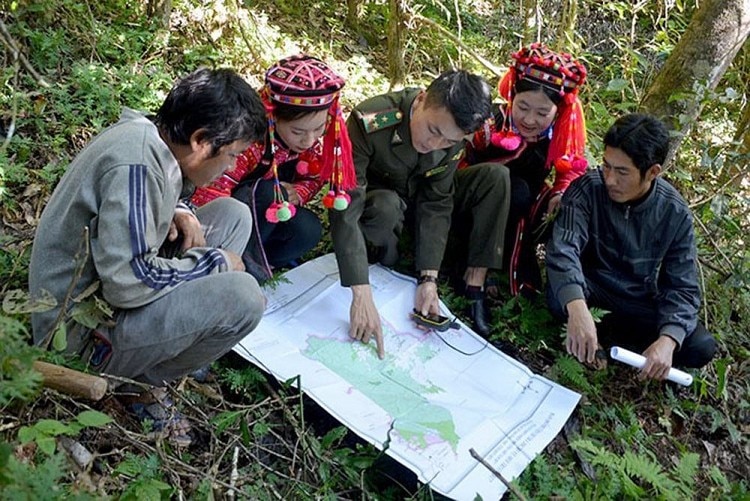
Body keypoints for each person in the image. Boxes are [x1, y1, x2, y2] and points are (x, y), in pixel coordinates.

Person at [28, 68, 268, 442]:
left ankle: (178, 340)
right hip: (76, 331)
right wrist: (215, 263)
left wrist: (182, 208)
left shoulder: (149, 137)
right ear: (201, 142)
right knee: (245, 298)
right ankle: (138, 383)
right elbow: (128, 284)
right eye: (232, 155)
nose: (233, 167)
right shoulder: (135, 169)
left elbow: (161, 187)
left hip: (106, 289)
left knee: (234, 216)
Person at [330, 69, 508, 355]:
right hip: (380, 208)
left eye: (448, 142)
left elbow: (437, 201)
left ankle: (471, 281)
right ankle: (385, 265)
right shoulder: (372, 121)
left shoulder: (453, 135)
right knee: (386, 206)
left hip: (417, 206)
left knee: (495, 177)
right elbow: (346, 203)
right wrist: (360, 290)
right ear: (423, 99)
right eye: (433, 131)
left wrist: (428, 278)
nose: (434, 145)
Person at [545, 113, 717, 380]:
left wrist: (668, 339)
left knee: (700, 347)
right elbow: (563, 250)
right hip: (592, 290)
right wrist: (577, 307)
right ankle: (590, 334)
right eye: (606, 166)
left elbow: (682, 287)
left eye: (622, 171)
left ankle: (634, 350)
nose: (610, 179)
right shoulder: (587, 189)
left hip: (638, 301)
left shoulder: (674, 212)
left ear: (652, 172)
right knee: (560, 298)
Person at [191, 55, 355, 280]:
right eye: (298, 132)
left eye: (318, 129)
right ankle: (235, 267)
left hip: (267, 220)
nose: (308, 140)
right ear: (273, 116)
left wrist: (300, 193)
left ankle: (259, 263)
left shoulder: (311, 143)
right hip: (229, 220)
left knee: (308, 230)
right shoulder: (248, 140)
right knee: (268, 192)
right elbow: (214, 191)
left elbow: (315, 177)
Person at [460, 43, 588, 299]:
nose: (530, 120)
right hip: (474, 202)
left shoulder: (559, 135)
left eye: (542, 113)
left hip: (525, 202)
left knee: (568, 208)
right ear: (512, 97)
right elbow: (459, 158)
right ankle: (476, 267)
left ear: (558, 110)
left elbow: (569, 170)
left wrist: (559, 195)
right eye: (523, 108)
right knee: (515, 190)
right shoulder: (489, 121)